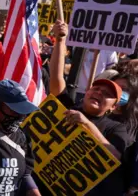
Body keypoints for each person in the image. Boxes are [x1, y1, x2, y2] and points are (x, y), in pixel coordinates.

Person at [49, 20, 132, 196]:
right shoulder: (70, 108)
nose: (99, 93)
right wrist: (60, 41)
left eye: (107, 94)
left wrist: (86, 124)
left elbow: (116, 157)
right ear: (86, 92)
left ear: (113, 106)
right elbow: (56, 79)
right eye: (96, 89)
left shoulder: (116, 128)